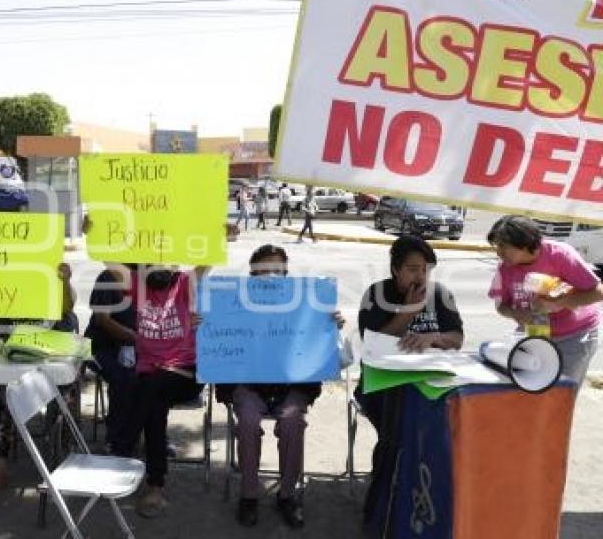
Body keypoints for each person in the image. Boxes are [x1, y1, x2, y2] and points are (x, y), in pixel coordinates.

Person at [216, 244, 345, 528]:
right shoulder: (233, 304)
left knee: (291, 423)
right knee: (248, 422)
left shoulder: (306, 304)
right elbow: (217, 340)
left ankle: (287, 495)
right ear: (252, 274)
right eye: (264, 271)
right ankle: (249, 496)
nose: (271, 276)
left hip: (292, 388)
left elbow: (339, 358)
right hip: (248, 386)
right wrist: (202, 324)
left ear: (286, 274)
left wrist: (331, 327)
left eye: (278, 271)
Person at [355, 235, 464, 525]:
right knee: (397, 432)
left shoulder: (439, 295)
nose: (420, 276)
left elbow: (457, 339)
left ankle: (422, 494)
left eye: (425, 269)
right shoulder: (376, 294)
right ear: (395, 270)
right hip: (383, 384)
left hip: (429, 381)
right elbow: (372, 344)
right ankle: (383, 506)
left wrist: (435, 337)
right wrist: (408, 312)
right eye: (413, 269)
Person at [113, 264, 209, 518]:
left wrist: (218, 234)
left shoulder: (184, 283)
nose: (159, 264)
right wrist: (93, 230)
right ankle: (155, 485)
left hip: (184, 374)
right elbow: (106, 256)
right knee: (153, 404)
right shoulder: (137, 285)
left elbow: (208, 258)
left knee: (149, 390)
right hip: (150, 378)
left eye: (165, 259)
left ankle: (122, 447)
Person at [0, 263, 78, 497]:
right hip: (16, 360)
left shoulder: (53, 275)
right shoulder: (1, 283)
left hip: (53, 360)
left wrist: (63, 280)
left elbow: (68, 306)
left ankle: (64, 459)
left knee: (65, 398)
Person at [487, 215, 603, 384]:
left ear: (525, 243)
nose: (499, 252)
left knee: (562, 394)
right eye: (497, 246)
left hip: (574, 336)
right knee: (534, 392)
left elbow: (598, 292)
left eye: (503, 246)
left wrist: (558, 303)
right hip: (535, 338)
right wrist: (516, 313)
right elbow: (501, 306)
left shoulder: (559, 255)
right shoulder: (505, 268)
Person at [84, 263, 138, 453]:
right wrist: (134, 337)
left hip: (137, 348)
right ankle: (116, 440)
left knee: (154, 378)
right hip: (102, 347)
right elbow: (103, 319)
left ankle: (154, 438)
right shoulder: (109, 277)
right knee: (124, 379)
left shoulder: (152, 278)